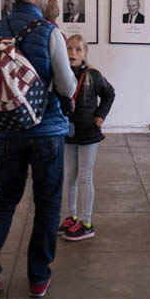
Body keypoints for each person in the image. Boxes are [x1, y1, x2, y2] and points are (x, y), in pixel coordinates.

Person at [0, 0, 77, 298]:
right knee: (48, 204)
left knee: (5, 200)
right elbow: (66, 84)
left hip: (9, 130)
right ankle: (37, 276)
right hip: (47, 131)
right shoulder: (49, 31)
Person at [59, 34, 115, 241]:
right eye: (69, 49)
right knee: (70, 177)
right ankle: (70, 217)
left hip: (88, 133)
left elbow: (109, 93)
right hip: (68, 132)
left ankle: (86, 222)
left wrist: (100, 115)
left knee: (85, 176)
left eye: (78, 49)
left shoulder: (93, 75)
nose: (72, 53)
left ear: (84, 54)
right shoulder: (60, 74)